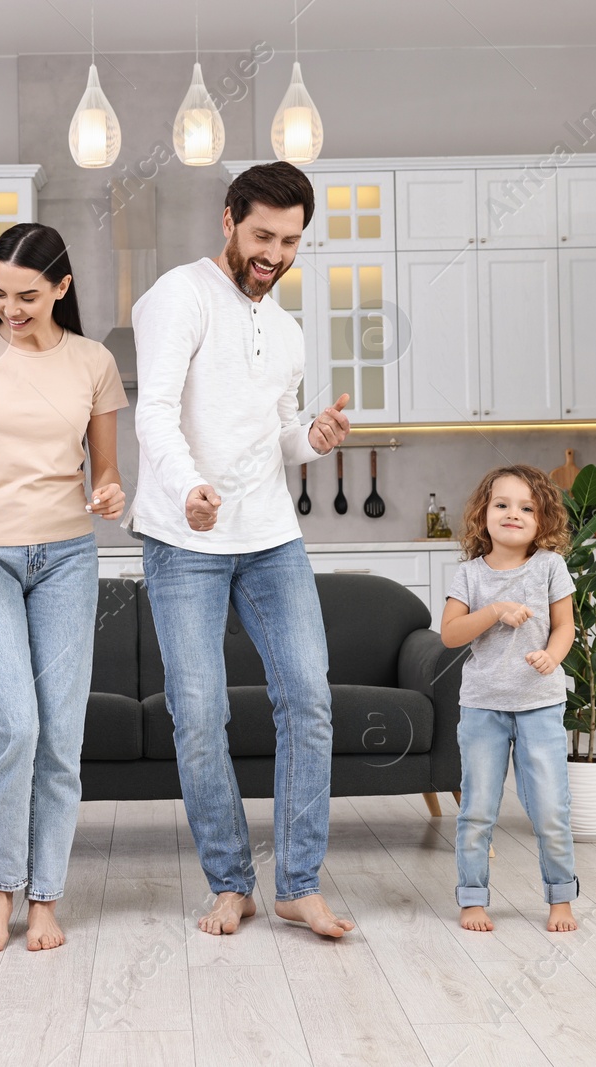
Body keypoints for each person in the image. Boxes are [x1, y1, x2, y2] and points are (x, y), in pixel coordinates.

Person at [124, 161, 355, 938]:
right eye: (262, 235)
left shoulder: (285, 327)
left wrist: (312, 441)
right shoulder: (178, 296)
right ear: (228, 219)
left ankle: (296, 882)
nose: (275, 253)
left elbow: (277, 431)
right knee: (199, 713)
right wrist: (188, 485)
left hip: (270, 537)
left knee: (309, 700)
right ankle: (231, 882)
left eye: (290, 241)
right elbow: (153, 410)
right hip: (184, 536)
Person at [0, 223, 128, 953]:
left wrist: (108, 493)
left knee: (62, 737)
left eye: (27, 295)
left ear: (62, 288)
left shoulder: (93, 362)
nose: (9, 306)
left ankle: (45, 900)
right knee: (16, 726)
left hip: (68, 556)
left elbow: (105, 471)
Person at [440, 463, 580, 934]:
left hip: (540, 703)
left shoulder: (550, 567)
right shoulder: (468, 576)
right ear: (484, 514)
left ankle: (561, 898)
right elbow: (450, 634)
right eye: (502, 504)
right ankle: (472, 899)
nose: (513, 514)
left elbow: (565, 626)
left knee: (550, 809)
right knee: (477, 809)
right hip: (482, 705)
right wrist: (495, 611)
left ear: (542, 521)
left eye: (527, 507)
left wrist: (553, 657)